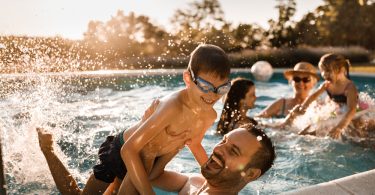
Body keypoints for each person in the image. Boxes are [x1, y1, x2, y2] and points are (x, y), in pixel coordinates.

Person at [37, 44, 232, 195]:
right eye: (205, 86)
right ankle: (48, 150)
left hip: (148, 158)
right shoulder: (172, 106)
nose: (212, 95)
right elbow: (128, 149)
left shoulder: (209, 115)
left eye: (221, 88)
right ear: (188, 79)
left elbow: (195, 144)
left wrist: (218, 181)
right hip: (122, 152)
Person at [152, 124, 276, 195]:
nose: (217, 149)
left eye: (233, 151)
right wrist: (175, 141)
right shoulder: (195, 181)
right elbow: (152, 177)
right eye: (223, 141)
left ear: (251, 174)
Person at [282, 53, 360, 139]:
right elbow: (313, 96)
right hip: (340, 111)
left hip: (354, 112)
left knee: (311, 132)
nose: (324, 74)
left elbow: (352, 109)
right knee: (306, 131)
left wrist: (339, 127)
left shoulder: (349, 88)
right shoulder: (327, 84)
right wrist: (303, 107)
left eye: (328, 71)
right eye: (322, 71)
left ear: (341, 70)